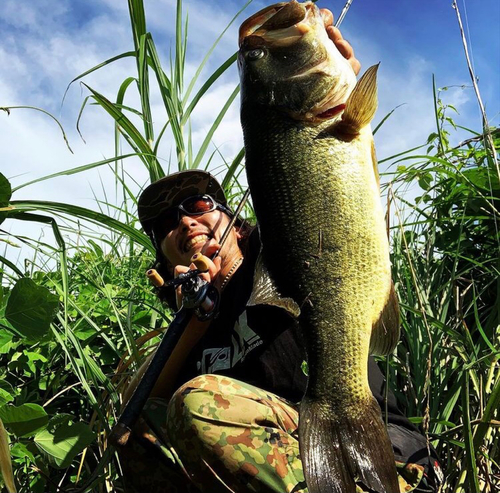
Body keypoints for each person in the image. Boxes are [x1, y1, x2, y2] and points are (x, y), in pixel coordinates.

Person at [118, 11, 442, 493]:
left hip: (381, 456)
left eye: (198, 204)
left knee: (201, 403)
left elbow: (329, 197)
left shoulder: (275, 252)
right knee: (142, 436)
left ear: (231, 217)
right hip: (281, 453)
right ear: (162, 259)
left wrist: (338, 80)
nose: (185, 221)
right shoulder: (187, 333)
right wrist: (196, 316)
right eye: (166, 224)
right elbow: (133, 415)